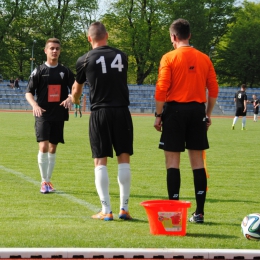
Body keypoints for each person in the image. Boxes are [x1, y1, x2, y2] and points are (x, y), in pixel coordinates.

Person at [154, 18, 218, 224]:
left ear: (173, 37)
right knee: (198, 163)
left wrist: (158, 115)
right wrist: (207, 114)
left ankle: (174, 211)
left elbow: (161, 88)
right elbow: (213, 90)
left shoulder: (169, 57)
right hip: (197, 110)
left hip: (174, 111)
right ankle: (199, 213)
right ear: (189, 35)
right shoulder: (204, 58)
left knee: (173, 163)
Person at [70, 21, 133, 221]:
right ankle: (124, 208)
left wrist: (76, 100)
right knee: (124, 157)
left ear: (90, 38)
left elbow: (76, 89)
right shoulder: (122, 56)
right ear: (106, 35)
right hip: (122, 111)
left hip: (100, 112)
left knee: (100, 160)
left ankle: (106, 210)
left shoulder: (84, 59)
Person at [25, 38, 75, 194]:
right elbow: (28, 92)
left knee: (53, 148)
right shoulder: (39, 71)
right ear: (45, 51)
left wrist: (70, 98)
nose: (55, 51)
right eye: (52, 48)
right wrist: (35, 105)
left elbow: (76, 88)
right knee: (43, 146)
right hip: (43, 113)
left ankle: (48, 180)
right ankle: (44, 181)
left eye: (57, 48)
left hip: (59, 113)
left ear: (60, 51)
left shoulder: (65, 71)